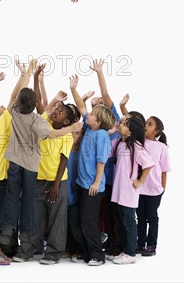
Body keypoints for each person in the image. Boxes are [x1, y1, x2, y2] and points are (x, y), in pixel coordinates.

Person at [0, 64, 83, 262]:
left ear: (66, 122)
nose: (55, 111)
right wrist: (36, 77)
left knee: (56, 218)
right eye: (57, 108)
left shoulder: (66, 135)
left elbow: (63, 161)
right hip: (36, 177)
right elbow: (37, 102)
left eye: (60, 112)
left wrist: (55, 185)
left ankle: (53, 253)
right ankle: (27, 250)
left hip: (56, 182)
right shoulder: (41, 120)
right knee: (34, 215)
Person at [0, 58, 35, 266]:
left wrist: (25, 75)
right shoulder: (3, 121)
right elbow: (16, 97)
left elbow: (14, 99)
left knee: (1, 217)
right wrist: (26, 73)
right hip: (2, 177)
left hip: (0, 176)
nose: (1, 106)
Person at [69, 75, 115, 266]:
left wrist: (96, 182)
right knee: (81, 221)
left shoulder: (102, 135)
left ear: (99, 122)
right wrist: (73, 89)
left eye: (93, 115)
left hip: (92, 187)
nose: (88, 115)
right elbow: (81, 106)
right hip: (82, 184)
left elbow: (101, 161)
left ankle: (97, 255)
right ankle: (86, 252)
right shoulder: (89, 130)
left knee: (89, 222)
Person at [109, 116, 154, 265]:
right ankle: (124, 249)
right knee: (121, 221)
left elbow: (148, 164)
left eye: (125, 124)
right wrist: (113, 130)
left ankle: (130, 253)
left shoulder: (136, 146)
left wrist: (140, 181)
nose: (121, 124)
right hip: (118, 190)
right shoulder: (119, 144)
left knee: (129, 221)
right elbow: (104, 148)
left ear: (130, 133)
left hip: (129, 190)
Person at [137, 116, 171, 256]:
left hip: (154, 190)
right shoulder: (139, 142)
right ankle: (140, 243)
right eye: (146, 123)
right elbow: (134, 121)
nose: (146, 125)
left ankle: (151, 245)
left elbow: (164, 169)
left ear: (156, 131)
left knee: (152, 218)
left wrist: (163, 188)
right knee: (140, 217)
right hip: (139, 189)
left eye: (149, 124)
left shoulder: (161, 147)